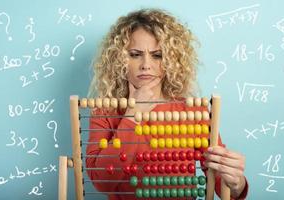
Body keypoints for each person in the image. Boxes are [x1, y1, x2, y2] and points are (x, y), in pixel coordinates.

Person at [86, 8, 248, 200]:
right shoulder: (106, 111)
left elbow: (225, 189)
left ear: (171, 61)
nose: (146, 64)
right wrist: (132, 115)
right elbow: (102, 181)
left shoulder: (193, 112)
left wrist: (237, 182)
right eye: (135, 54)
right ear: (119, 60)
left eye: (157, 55)